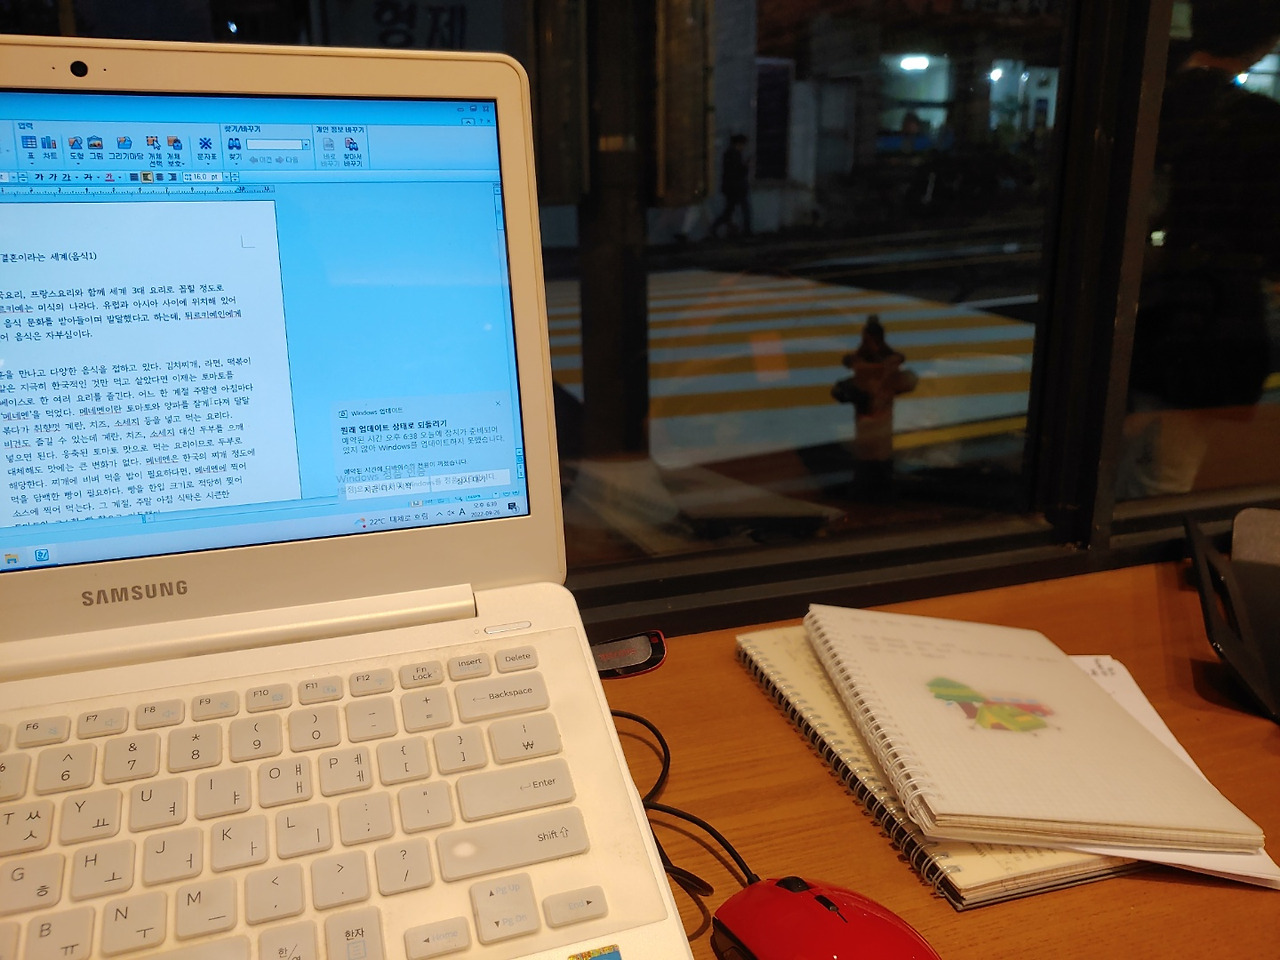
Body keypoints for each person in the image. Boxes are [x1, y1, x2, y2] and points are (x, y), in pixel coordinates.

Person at [1119, 0, 1280, 498]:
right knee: (1165, 477)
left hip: (1125, 307)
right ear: (1263, 44)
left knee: (1108, 461)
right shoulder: (1259, 123)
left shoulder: (1140, 102)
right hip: (1205, 321)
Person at [831, 315, 918, 498]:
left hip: (873, 424)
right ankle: (876, 487)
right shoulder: (882, 366)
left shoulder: (871, 366)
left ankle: (872, 488)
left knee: (873, 456)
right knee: (874, 455)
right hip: (874, 424)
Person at [710, 133, 751, 238]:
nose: (743, 147)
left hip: (731, 188)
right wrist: (746, 165)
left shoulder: (729, 154)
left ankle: (715, 227)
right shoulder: (735, 155)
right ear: (739, 144)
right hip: (736, 188)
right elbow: (738, 172)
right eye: (743, 144)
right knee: (743, 210)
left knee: (730, 211)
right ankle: (747, 231)